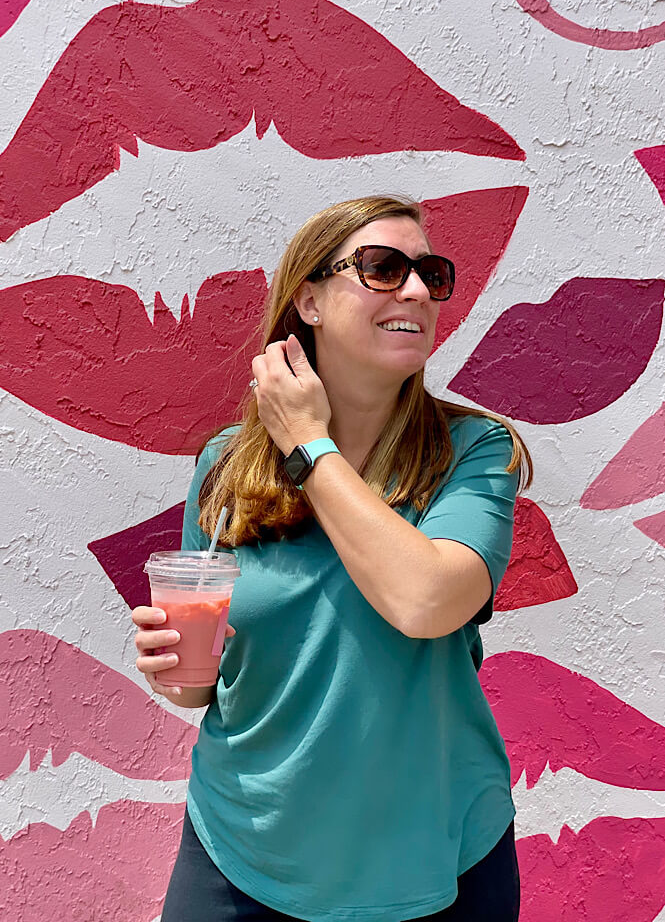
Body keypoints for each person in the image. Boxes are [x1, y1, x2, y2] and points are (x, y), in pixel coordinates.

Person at [133, 195, 533, 921]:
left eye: (429, 274)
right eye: (383, 268)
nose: (415, 290)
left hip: (430, 853)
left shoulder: (474, 453)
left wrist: (309, 447)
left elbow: (425, 602)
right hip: (240, 850)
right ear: (308, 300)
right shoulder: (226, 464)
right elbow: (203, 684)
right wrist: (176, 672)